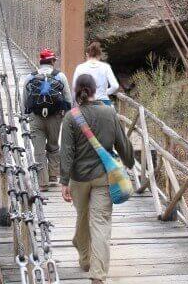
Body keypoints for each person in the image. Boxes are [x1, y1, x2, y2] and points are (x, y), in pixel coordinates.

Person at [60, 74, 134, 284]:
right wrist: (128, 161)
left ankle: (85, 258)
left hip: (79, 179)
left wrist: (64, 182)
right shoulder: (109, 113)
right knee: (100, 223)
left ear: (76, 91)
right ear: (94, 91)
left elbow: (67, 152)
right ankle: (97, 274)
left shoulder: (70, 117)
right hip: (104, 177)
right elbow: (123, 143)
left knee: (83, 217)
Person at [22, 48, 72, 189]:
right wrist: (66, 114)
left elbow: (24, 100)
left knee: (38, 150)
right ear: (52, 61)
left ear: (40, 61)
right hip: (55, 117)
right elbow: (68, 98)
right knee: (53, 146)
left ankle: (42, 182)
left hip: (36, 117)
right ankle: (53, 176)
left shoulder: (30, 77)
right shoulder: (60, 76)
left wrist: (25, 116)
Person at [72, 42, 120, 106]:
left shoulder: (80, 68)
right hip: (104, 102)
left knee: (77, 114)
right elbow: (115, 86)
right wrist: (105, 92)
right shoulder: (106, 67)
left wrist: (75, 103)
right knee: (111, 114)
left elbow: (74, 87)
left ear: (87, 54)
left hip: (86, 103)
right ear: (99, 55)